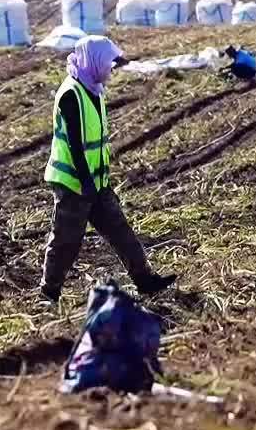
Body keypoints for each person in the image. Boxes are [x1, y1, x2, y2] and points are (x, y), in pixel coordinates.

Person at [41, 37, 175, 304]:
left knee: (120, 231)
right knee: (66, 240)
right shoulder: (71, 94)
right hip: (73, 183)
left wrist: (98, 183)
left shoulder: (94, 88)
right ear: (95, 61)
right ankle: (48, 293)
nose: (111, 68)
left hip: (96, 182)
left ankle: (145, 280)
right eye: (108, 62)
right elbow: (76, 146)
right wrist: (86, 184)